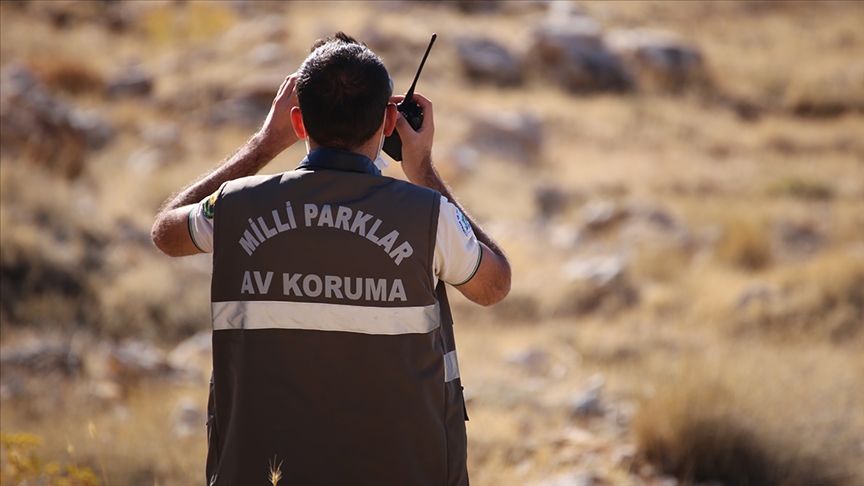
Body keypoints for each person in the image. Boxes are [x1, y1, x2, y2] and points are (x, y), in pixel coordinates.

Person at [151, 32, 510, 485]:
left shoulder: (234, 207)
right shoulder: (428, 217)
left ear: (299, 123)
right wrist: (422, 171)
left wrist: (263, 144)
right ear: (388, 122)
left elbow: (166, 232)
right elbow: (494, 285)